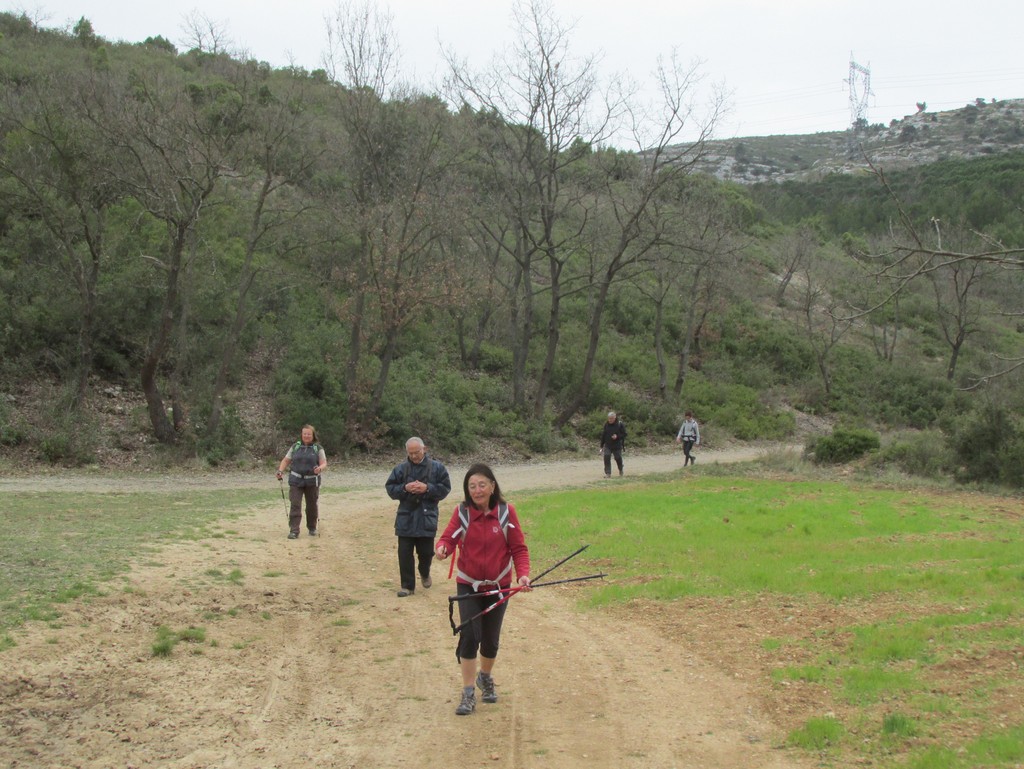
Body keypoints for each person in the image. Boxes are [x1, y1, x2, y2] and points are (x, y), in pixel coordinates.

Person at [435, 463, 531, 716]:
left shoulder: (506, 513)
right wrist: (442, 548)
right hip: (469, 584)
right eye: (472, 486)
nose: (477, 490)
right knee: (469, 635)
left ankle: (485, 677)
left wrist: (522, 576)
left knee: (490, 640)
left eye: (481, 485)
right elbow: (448, 538)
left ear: (492, 486)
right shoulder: (463, 513)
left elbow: (519, 548)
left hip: (499, 586)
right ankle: (467, 691)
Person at [384, 437, 452, 598]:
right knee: (404, 553)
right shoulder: (400, 469)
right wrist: (405, 488)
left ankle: (425, 572)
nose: (414, 456)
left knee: (426, 553)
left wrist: (427, 488)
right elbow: (390, 489)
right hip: (405, 517)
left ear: (425, 449)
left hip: (427, 516)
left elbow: (445, 488)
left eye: (417, 452)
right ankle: (407, 586)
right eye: (411, 453)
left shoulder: (437, 468)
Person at [276, 425, 327, 539]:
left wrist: (320, 469)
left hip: (312, 481)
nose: (306, 436)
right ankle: (294, 530)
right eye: (304, 433)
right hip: (296, 480)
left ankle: (312, 527)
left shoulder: (318, 448)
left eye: (309, 434)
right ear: (301, 434)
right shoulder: (295, 447)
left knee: (312, 506)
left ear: (313, 435)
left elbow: (324, 463)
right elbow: (286, 460)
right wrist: (280, 470)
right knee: (295, 504)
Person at [600, 411, 627, 477]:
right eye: (609, 418)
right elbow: (604, 435)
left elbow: (624, 434)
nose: (610, 420)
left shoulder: (620, 424)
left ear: (615, 418)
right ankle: (608, 473)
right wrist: (601, 445)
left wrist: (617, 436)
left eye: (611, 418)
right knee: (606, 456)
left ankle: (620, 469)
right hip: (608, 445)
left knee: (618, 458)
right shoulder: (606, 425)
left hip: (617, 445)